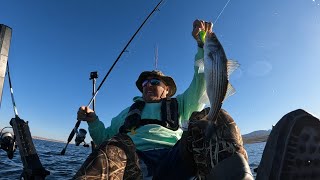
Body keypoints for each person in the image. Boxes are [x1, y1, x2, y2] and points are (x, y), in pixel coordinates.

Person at [73, 19, 252, 180]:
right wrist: (93, 121)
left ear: (166, 90)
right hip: (133, 163)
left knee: (217, 117)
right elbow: (103, 137)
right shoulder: (127, 112)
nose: (148, 85)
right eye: (144, 83)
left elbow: (200, 81)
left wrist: (201, 45)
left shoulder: (181, 103)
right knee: (114, 144)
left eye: (154, 81)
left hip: (175, 159)